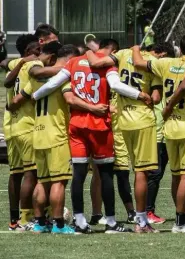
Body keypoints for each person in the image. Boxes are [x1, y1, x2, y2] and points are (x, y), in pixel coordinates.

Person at [33, 38, 149, 234]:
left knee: (78, 174)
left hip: (77, 125)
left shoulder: (74, 62)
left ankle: (79, 221)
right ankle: (111, 222)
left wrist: (35, 96)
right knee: (104, 175)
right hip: (99, 126)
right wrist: (139, 95)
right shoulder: (108, 63)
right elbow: (117, 85)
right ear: (112, 50)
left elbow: (54, 83)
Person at [86, 43, 172, 233]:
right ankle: (141, 221)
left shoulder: (122, 54)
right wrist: (147, 94)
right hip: (143, 120)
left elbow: (97, 63)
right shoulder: (152, 62)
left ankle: (107, 214)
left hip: (123, 120)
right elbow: (156, 98)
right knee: (141, 172)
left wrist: (87, 50)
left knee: (120, 170)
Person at [7, 43, 78, 234]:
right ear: (69, 59)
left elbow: (15, 101)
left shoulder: (35, 79)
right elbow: (71, 100)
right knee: (59, 181)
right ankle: (59, 225)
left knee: (42, 181)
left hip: (37, 133)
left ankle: (39, 223)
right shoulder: (64, 78)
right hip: (56, 134)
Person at [133, 35, 185, 233]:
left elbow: (137, 62)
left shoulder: (164, 63)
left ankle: (181, 217)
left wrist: (136, 47)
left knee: (176, 176)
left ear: (179, 48)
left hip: (169, 126)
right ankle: (181, 220)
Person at [2, 34, 41, 230]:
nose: (40, 55)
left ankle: (13, 220)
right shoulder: (33, 67)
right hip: (27, 125)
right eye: (38, 51)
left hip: (11, 127)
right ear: (29, 51)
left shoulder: (16, 62)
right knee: (31, 173)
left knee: (16, 173)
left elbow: (4, 65)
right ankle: (27, 218)